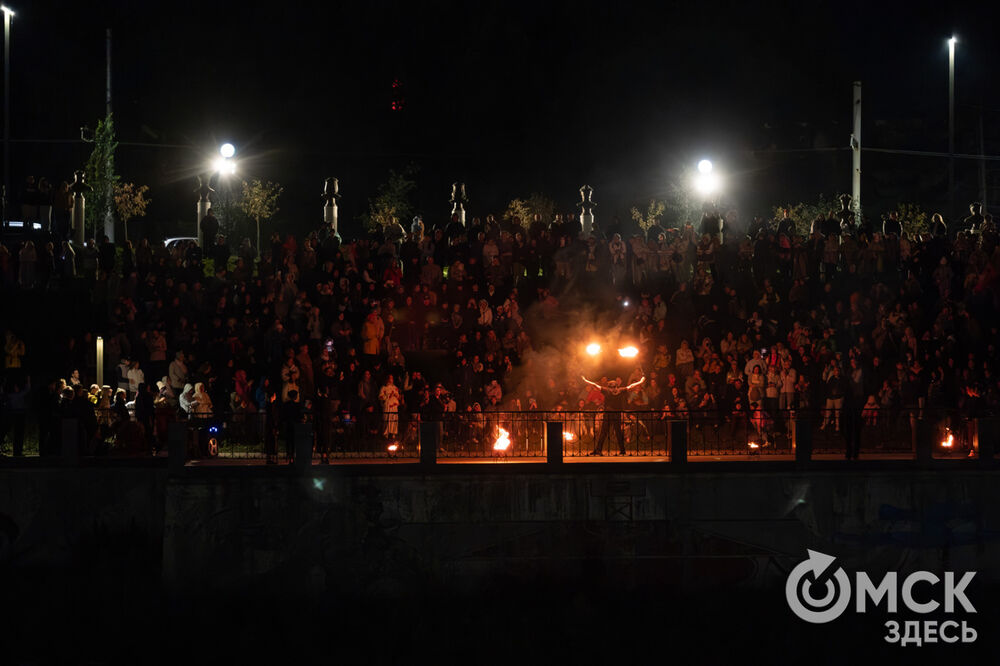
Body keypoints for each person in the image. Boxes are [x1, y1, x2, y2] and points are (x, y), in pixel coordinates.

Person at [580, 374, 645, 456]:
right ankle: (620, 450)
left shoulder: (607, 390)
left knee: (605, 433)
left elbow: (595, 385)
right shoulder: (619, 390)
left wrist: (585, 380)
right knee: (614, 432)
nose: (613, 389)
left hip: (610, 414)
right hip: (615, 414)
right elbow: (631, 386)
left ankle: (601, 450)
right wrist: (641, 381)